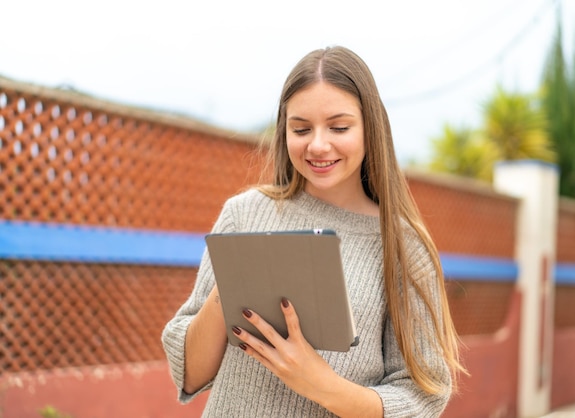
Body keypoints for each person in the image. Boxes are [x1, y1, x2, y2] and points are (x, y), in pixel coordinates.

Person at [162, 45, 465, 418]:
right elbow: (190, 373)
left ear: (370, 128)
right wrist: (234, 280)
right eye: (301, 128)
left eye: (339, 127)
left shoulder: (403, 246)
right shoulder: (243, 214)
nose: (318, 145)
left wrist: (320, 384)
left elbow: (423, 397)